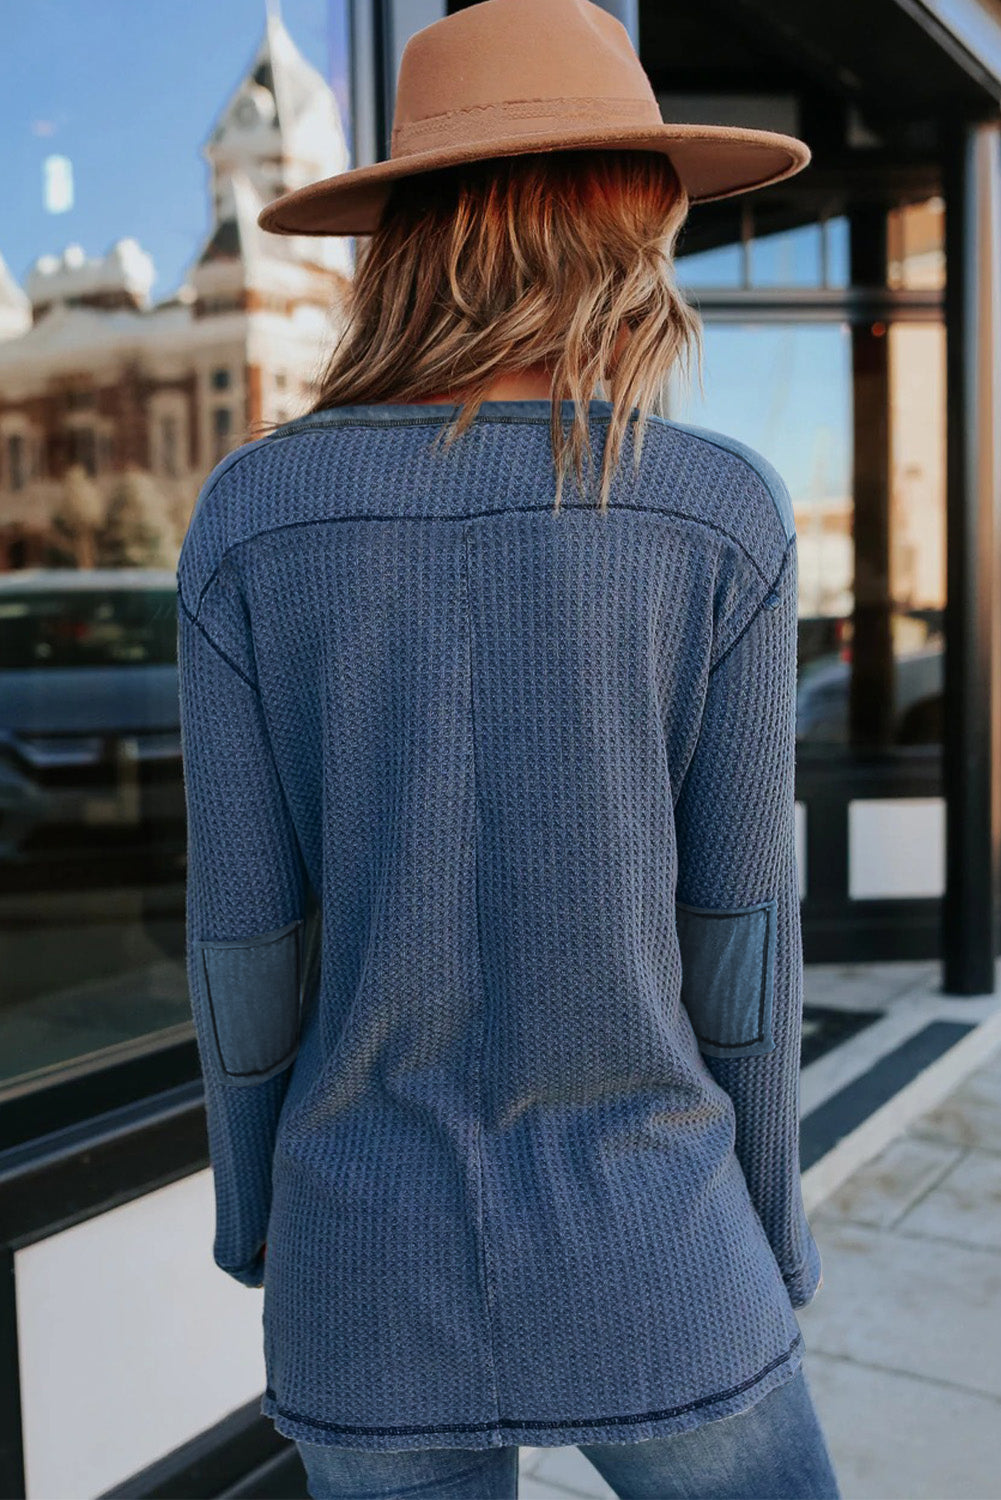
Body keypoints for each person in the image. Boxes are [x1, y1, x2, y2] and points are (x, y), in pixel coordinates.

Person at [176, 0, 841, 1495]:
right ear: (625, 228)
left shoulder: (249, 523)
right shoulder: (711, 516)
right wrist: (770, 1223)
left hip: (361, 1256)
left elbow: (244, 950)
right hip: (657, 1239)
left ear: (408, 237)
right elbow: (740, 941)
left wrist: (255, 1220)